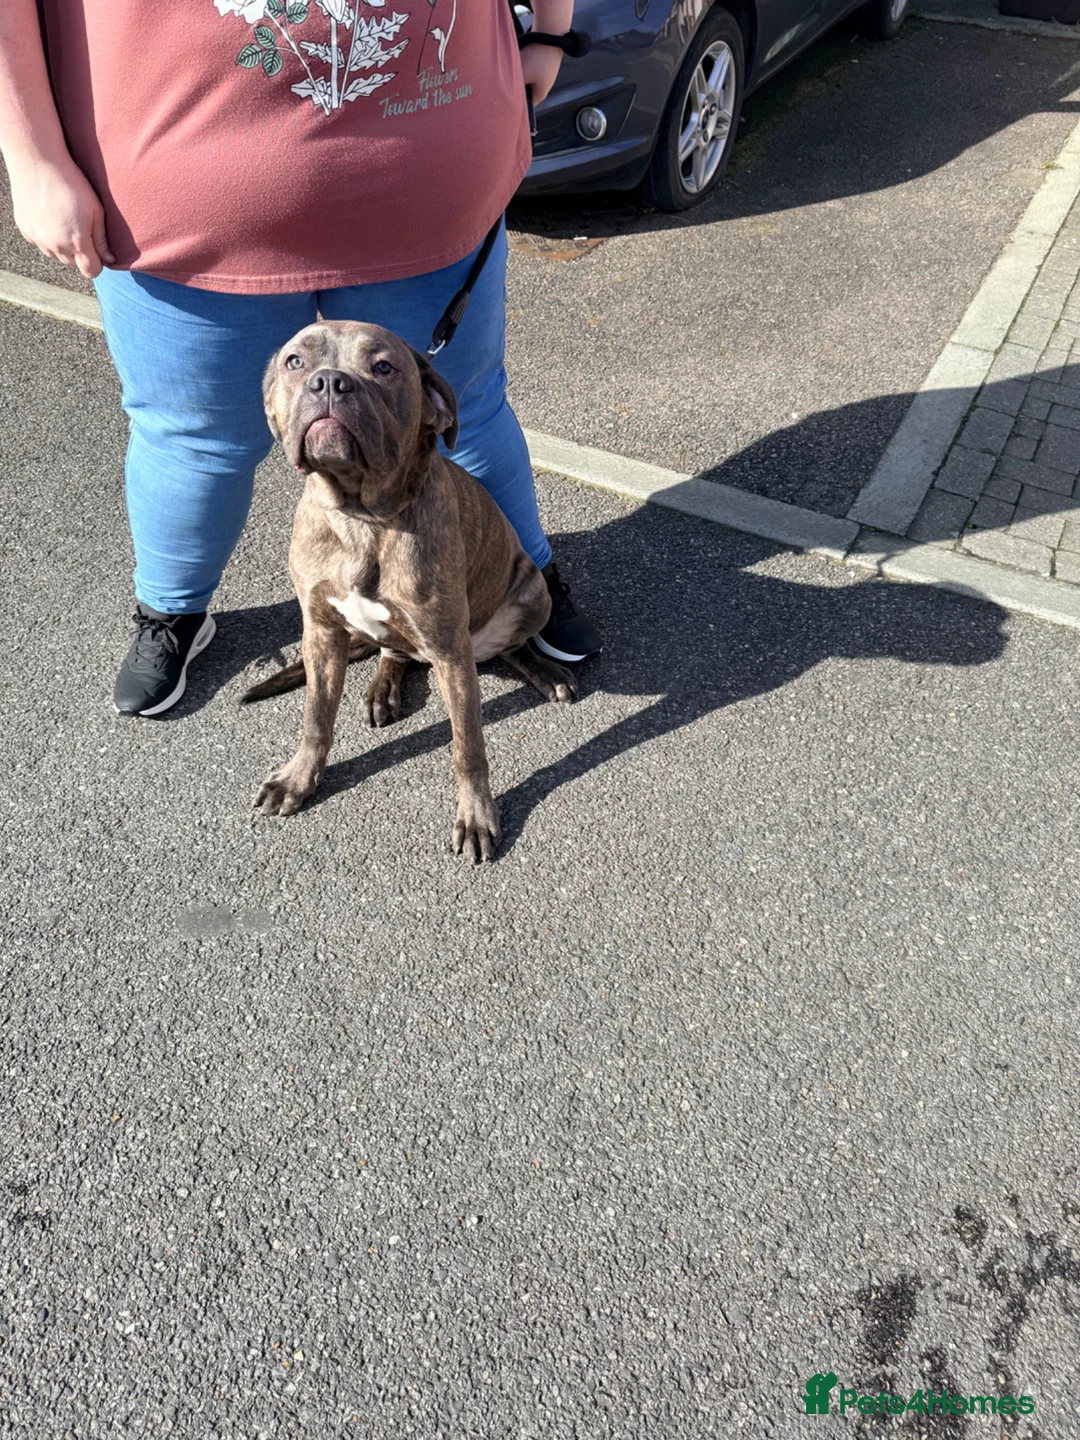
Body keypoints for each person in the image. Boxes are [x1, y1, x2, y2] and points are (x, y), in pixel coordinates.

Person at [0, 0, 601, 717]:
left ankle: (518, 576)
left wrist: (549, 30)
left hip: (428, 148)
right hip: (177, 186)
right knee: (191, 437)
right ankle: (172, 607)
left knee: (459, 407)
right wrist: (30, 154)